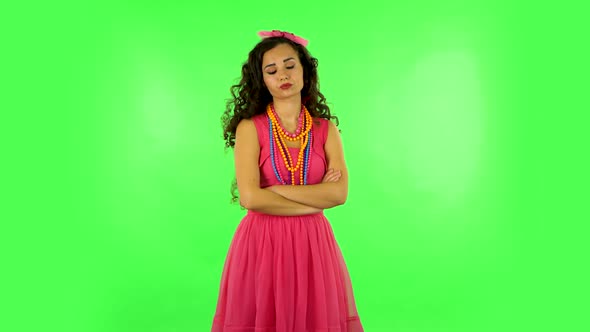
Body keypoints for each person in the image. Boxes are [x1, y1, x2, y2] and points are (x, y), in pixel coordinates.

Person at [212, 30, 364, 332]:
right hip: (261, 243)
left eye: (290, 65)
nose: (283, 74)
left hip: (314, 245)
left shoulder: (326, 130)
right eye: (272, 70)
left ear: (305, 70)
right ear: (262, 80)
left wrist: (277, 190)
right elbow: (251, 199)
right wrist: (314, 199)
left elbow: (339, 194)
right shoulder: (250, 128)